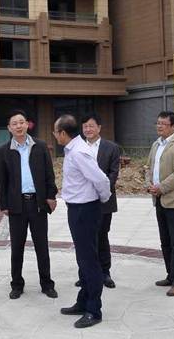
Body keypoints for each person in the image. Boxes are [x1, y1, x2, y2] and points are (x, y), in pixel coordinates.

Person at [53, 114, 110, 329]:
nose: (54, 135)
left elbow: (101, 179)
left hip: (85, 210)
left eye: (55, 132)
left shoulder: (79, 152)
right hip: (77, 209)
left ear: (63, 133)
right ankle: (83, 301)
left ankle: (94, 310)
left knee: (89, 260)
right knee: (83, 259)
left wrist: (102, 199)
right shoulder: (73, 149)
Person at [0, 110, 58, 300]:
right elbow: (2, 181)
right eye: (14, 123)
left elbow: (49, 174)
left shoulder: (40, 146)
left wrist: (51, 196)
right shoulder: (3, 151)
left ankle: (47, 284)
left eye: (21, 122)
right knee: (17, 247)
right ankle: (17, 285)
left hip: (38, 204)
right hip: (17, 205)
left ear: (27, 124)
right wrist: (3, 204)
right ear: (9, 128)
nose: (19, 126)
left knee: (42, 246)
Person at [147, 111, 174, 297]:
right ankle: (171, 275)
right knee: (165, 240)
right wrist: (149, 184)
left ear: (173, 126)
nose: (159, 126)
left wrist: (162, 187)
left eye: (163, 124)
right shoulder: (156, 144)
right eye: (157, 123)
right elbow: (149, 168)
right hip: (158, 199)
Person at [80, 113, 120, 288]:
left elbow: (113, 174)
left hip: (104, 201)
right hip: (83, 201)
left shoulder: (111, 148)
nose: (88, 129)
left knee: (102, 237)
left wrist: (100, 191)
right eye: (85, 126)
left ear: (99, 128)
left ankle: (105, 273)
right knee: (85, 239)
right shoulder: (78, 148)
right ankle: (85, 274)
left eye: (91, 126)